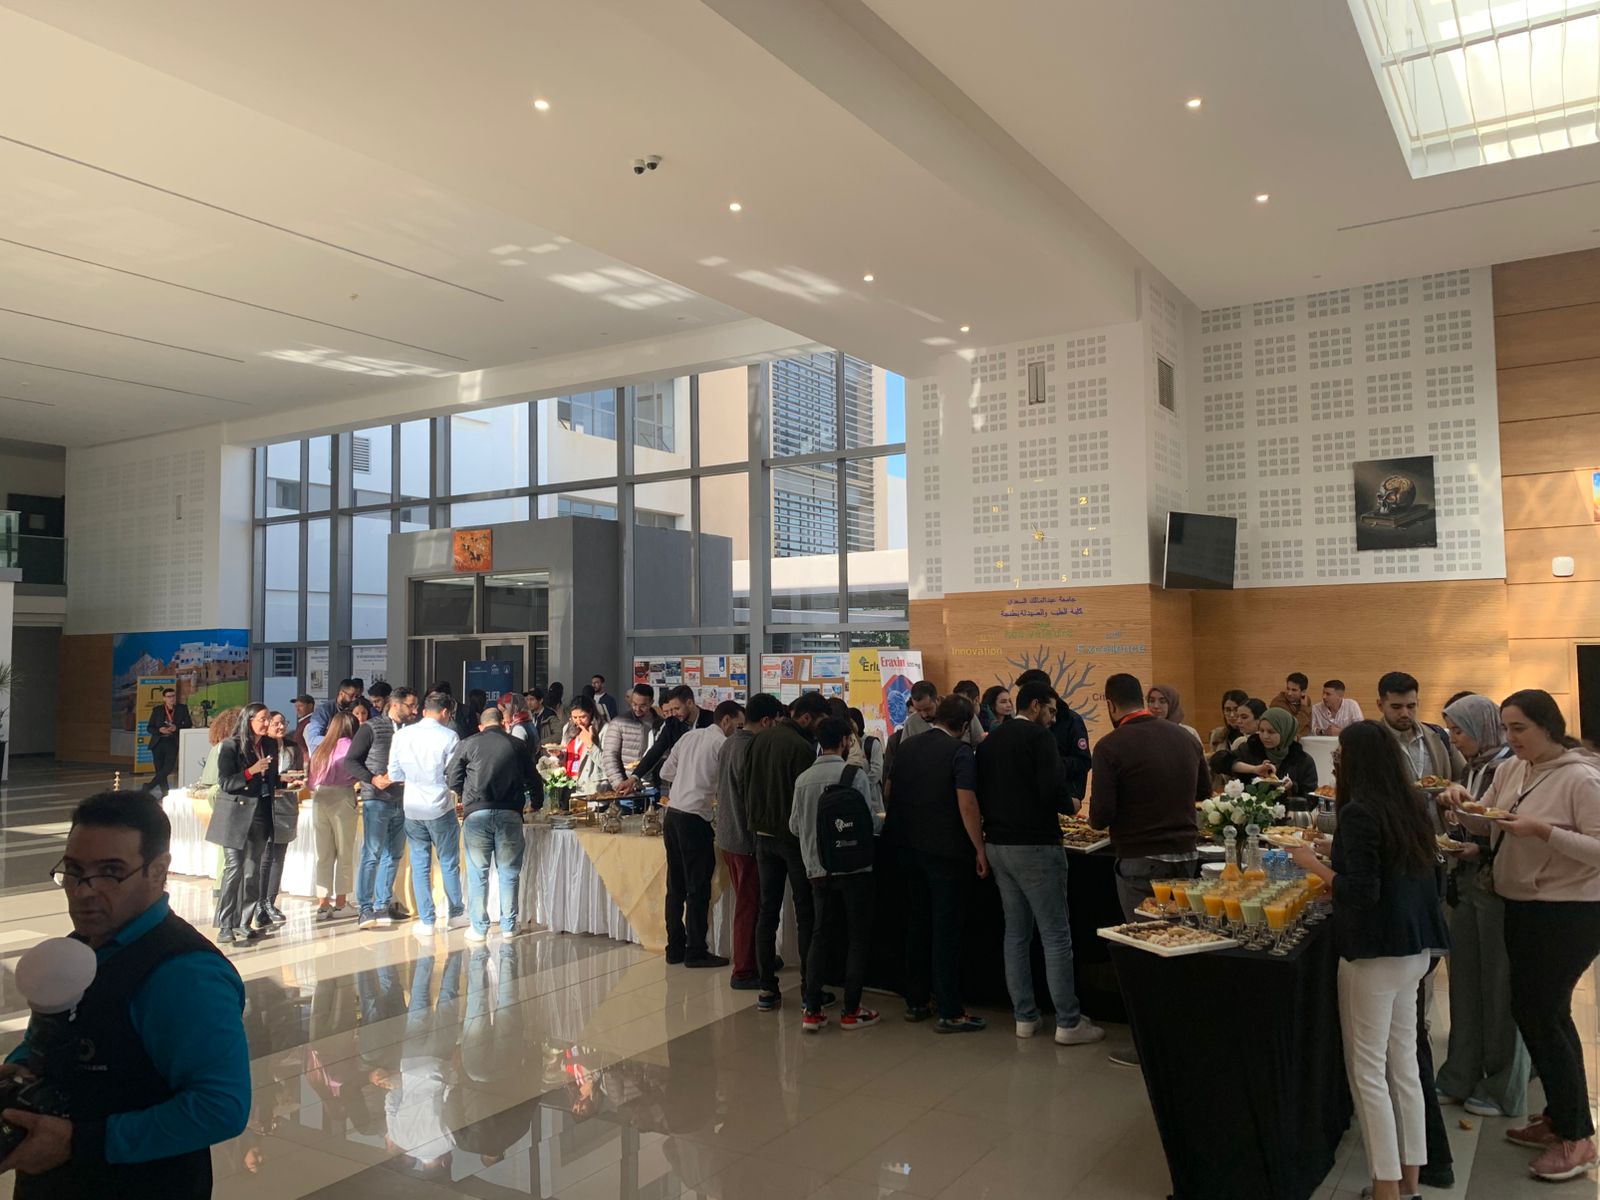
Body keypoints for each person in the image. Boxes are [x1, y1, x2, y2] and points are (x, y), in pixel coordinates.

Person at [0, 792, 249, 1194]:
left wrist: (79, 1142)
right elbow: (47, 1038)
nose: (84, 891)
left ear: (158, 871)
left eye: (110, 872)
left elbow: (220, 1108)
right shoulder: (80, 946)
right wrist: (19, 1069)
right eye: (74, 871)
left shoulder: (185, 973)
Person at [1441, 690, 1600, 1182]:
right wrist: (1461, 804)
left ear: (1548, 726)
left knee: (1543, 1015)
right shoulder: (1513, 769)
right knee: (1537, 1013)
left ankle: (1578, 1137)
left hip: (1569, 911)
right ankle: (1560, 1117)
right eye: (1506, 728)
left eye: (1520, 728)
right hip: (1523, 905)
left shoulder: (1581, 777)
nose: (1510, 738)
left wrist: (1542, 831)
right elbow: (1487, 823)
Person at [1290, 721, 1450, 1200]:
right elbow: (1394, 868)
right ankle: (1409, 1183)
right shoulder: (1410, 804)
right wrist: (1334, 856)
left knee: (1367, 1071)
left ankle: (1384, 1187)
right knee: (1404, 1067)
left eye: (1341, 754)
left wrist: (1313, 864)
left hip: (1376, 954)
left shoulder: (1359, 811)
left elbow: (1361, 891)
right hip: (1414, 949)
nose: (1336, 761)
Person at [977, 681, 1104, 1047]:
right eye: (1050, 710)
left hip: (997, 844)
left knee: (1016, 934)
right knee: (1055, 934)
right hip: (1035, 845)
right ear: (1034, 705)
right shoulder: (1038, 737)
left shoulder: (991, 740)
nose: (1052, 719)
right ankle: (1068, 1020)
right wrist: (1071, 804)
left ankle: (1025, 1017)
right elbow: (1052, 788)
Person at [1433, 693, 1529, 1122]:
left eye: (1459, 731)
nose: (1454, 739)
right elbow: (1478, 820)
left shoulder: (1511, 767)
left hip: (1498, 885)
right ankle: (1460, 1072)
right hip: (1466, 881)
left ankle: (1503, 1083)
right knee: (1465, 983)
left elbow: (1510, 829)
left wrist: (1481, 845)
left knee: (1500, 987)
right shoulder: (1474, 768)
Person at [884, 695, 988, 1033]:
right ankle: (950, 1009)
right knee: (946, 929)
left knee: (916, 923)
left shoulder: (907, 746)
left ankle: (916, 1001)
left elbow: (889, 790)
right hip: (945, 852)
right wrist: (979, 848)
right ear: (964, 726)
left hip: (905, 846)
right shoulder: (960, 753)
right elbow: (966, 802)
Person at [1090, 672, 1208, 923]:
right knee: (1180, 934)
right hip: (1186, 854)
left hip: (1140, 855)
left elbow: (1101, 816)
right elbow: (1204, 793)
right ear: (1141, 701)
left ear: (1110, 705)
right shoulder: (1186, 737)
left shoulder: (1109, 746)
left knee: (1145, 937)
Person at [789, 715, 883, 1033]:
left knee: (820, 935)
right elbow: (872, 822)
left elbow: (794, 826)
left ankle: (812, 1009)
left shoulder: (803, 779)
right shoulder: (854, 775)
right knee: (857, 938)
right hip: (855, 868)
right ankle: (851, 1010)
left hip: (817, 870)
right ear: (845, 741)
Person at [742, 691, 831, 1013]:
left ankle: (767, 988)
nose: (821, 729)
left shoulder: (757, 741)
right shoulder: (801, 748)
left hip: (761, 836)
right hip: (792, 839)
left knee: (767, 912)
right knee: (805, 912)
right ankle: (810, 989)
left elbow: (744, 786)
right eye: (820, 722)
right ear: (806, 717)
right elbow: (805, 800)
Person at [659, 700, 744, 968]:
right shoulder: (723, 744)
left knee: (675, 886)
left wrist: (688, 780)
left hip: (673, 815)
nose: (739, 731)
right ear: (726, 720)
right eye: (738, 725)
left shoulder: (689, 737)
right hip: (695, 818)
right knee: (697, 888)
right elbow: (728, 785)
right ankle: (695, 950)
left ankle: (674, 948)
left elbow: (665, 771)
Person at [447, 706, 537, 943]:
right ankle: (509, 926)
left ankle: (479, 928)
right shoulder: (517, 745)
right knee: (509, 872)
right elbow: (534, 778)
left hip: (477, 814)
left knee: (478, 873)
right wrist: (536, 803)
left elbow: (452, 778)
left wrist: (465, 794)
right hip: (510, 812)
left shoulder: (468, 743)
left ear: (481, 726)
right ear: (504, 724)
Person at [382, 691, 466, 940]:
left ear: (423, 710)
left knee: (420, 864)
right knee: (448, 862)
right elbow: (453, 775)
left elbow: (394, 773)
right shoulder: (449, 736)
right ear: (445, 712)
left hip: (412, 806)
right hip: (440, 806)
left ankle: (427, 920)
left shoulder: (403, 735)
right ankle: (455, 913)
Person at [718, 693, 778, 990]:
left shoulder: (730, 743)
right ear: (766, 721)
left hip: (728, 835)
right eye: (775, 723)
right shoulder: (752, 749)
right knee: (749, 906)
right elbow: (754, 799)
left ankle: (757, 956)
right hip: (746, 840)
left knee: (749, 903)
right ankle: (743, 970)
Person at [209, 705, 279, 945]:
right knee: (234, 868)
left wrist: (282, 781)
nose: (267, 723)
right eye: (263, 719)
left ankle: (244, 922)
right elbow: (226, 783)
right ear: (249, 720)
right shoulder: (231, 746)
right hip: (235, 813)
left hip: (260, 811)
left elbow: (270, 778)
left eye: (268, 718)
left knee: (252, 870)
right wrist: (250, 772)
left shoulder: (269, 745)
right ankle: (225, 924)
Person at [344, 694, 409, 930]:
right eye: (410, 705)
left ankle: (383, 904)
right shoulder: (371, 727)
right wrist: (372, 779)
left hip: (403, 799)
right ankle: (365, 907)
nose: (414, 710)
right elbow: (350, 761)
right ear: (395, 704)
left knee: (394, 854)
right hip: (377, 799)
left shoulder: (411, 729)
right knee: (372, 854)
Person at [307, 711, 360, 920]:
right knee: (344, 851)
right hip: (342, 796)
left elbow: (310, 781)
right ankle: (340, 903)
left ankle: (323, 904)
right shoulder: (351, 747)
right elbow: (358, 772)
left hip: (319, 796)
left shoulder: (321, 748)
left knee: (323, 853)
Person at [1014, 668, 1093, 803]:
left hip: (1063, 797)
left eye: (1025, 694)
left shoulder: (1071, 720)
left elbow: (1083, 761)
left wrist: (1051, 763)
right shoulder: (1021, 724)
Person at [254, 712, 301, 930]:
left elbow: (298, 773)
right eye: (276, 723)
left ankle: (270, 902)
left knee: (279, 857)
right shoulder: (261, 748)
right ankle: (259, 903)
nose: (280, 727)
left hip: (287, 805)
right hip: (266, 804)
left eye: (283, 722)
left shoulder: (293, 748)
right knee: (265, 856)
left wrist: (296, 781)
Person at [1377, 671, 1465, 785]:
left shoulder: (1439, 735)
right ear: (1380, 705)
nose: (1404, 713)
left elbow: (1464, 777)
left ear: (1418, 703)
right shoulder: (1371, 742)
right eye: (1396, 707)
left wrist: (1454, 788)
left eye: (1411, 706)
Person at [623, 685, 711, 793]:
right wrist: (634, 778)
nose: (673, 713)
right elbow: (656, 750)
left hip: (708, 783)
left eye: (677, 709)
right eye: (672, 709)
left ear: (690, 703)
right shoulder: (672, 723)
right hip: (681, 784)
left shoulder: (711, 720)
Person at [1224, 707, 1319, 804]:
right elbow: (1220, 761)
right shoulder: (1252, 748)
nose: (1265, 736)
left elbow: (1312, 800)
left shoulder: (1302, 759)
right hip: (1250, 810)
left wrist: (1292, 788)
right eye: (1261, 730)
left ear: (1285, 732)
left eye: (1271, 732)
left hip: (1288, 812)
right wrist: (1254, 769)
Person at [604, 684, 661, 791]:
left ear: (651, 702)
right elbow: (610, 756)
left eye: (643, 705)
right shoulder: (619, 722)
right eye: (634, 704)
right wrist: (619, 784)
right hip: (627, 786)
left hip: (654, 785)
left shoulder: (660, 723)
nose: (637, 709)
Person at [901, 680, 984, 747]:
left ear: (937, 700)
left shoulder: (961, 710)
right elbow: (905, 753)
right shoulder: (911, 723)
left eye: (927, 709)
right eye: (918, 710)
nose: (924, 715)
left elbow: (981, 742)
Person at [145, 687, 191, 796]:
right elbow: (149, 727)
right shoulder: (157, 710)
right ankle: (165, 794)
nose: (171, 698)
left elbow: (188, 724)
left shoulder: (182, 708)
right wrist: (159, 730)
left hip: (172, 742)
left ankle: (148, 786)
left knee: (168, 768)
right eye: (169, 696)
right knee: (159, 770)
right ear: (164, 698)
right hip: (158, 742)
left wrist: (176, 728)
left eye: (173, 696)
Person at [559, 696, 608, 793]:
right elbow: (564, 754)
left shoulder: (604, 729)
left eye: (582, 717)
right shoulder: (567, 728)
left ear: (591, 713)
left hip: (591, 785)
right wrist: (558, 754)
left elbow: (608, 764)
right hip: (569, 782)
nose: (578, 721)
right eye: (574, 717)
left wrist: (590, 744)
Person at [303, 680, 359, 758]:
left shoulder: (356, 709)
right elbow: (313, 739)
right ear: (341, 694)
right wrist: (339, 742)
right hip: (327, 755)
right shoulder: (324, 710)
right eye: (351, 695)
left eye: (357, 696)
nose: (354, 699)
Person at [1270, 672, 1314, 738]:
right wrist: (1304, 709)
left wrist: (1297, 736)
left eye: (1294, 690)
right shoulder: (1278, 702)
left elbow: (1308, 727)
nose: (1289, 693)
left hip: (1301, 739)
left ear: (1303, 692)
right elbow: (1290, 729)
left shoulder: (1306, 700)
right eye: (1288, 688)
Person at [1210, 689, 1250, 753]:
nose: (1232, 715)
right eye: (1228, 710)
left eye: (1236, 709)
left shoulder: (1253, 737)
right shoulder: (1217, 736)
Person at [291, 694, 316, 759]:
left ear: (310, 706)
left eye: (300, 706)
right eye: (296, 706)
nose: (297, 709)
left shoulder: (310, 723)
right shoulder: (303, 722)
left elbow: (312, 747)